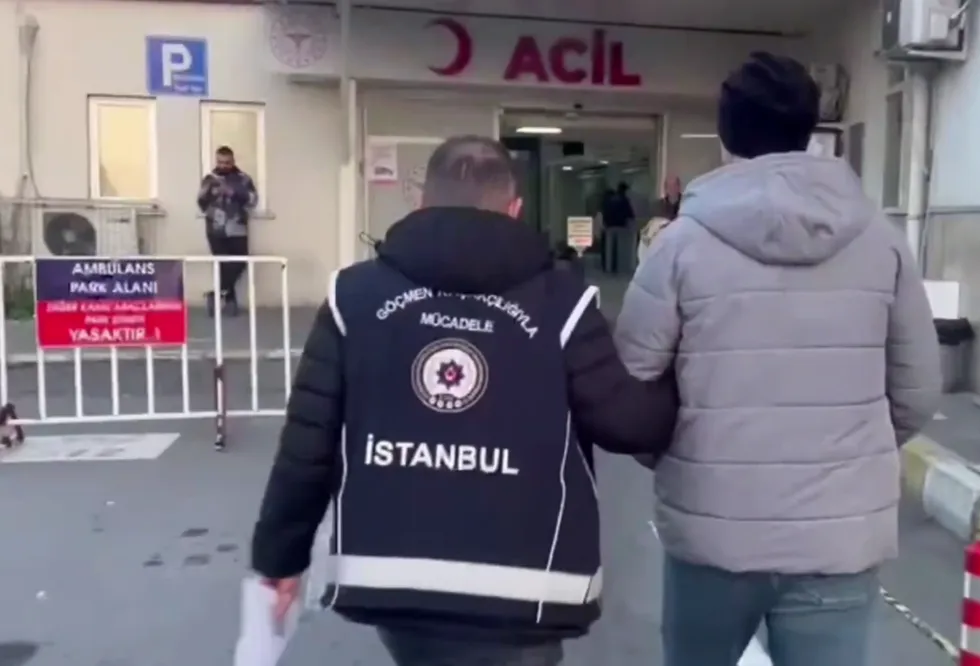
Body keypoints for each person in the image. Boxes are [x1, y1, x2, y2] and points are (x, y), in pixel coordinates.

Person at [250, 135, 678, 666]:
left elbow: (306, 446)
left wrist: (280, 559)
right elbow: (626, 422)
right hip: (527, 591)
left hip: (395, 584)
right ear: (514, 210)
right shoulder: (563, 303)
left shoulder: (352, 297)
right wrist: (684, 379)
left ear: (421, 203)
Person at [614, 52, 941, 666]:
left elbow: (629, 390)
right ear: (808, 129)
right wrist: (851, 455)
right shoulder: (881, 242)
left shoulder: (680, 246)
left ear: (726, 135)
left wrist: (682, 455)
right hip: (836, 539)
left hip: (712, 533)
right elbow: (917, 393)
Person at [197, 145, 258, 316]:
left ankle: (216, 294)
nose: (223, 165)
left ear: (233, 161)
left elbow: (253, 200)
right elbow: (201, 202)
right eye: (220, 162)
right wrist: (215, 194)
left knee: (240, 263)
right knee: (223, 265)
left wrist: (234, 193)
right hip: (215, 230)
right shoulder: (209, 179)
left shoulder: (244, 179)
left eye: (227, 162)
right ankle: (230, 302)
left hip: (238, 229)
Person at [600, 181, 636, 275]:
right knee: (619, 248)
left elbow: (604, 211)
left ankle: (608, 268)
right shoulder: (624, 200)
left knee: (609, 249)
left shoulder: (609, 199)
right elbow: (630, 214)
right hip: (621, 227)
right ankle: (618, 268)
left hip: (609, 226)